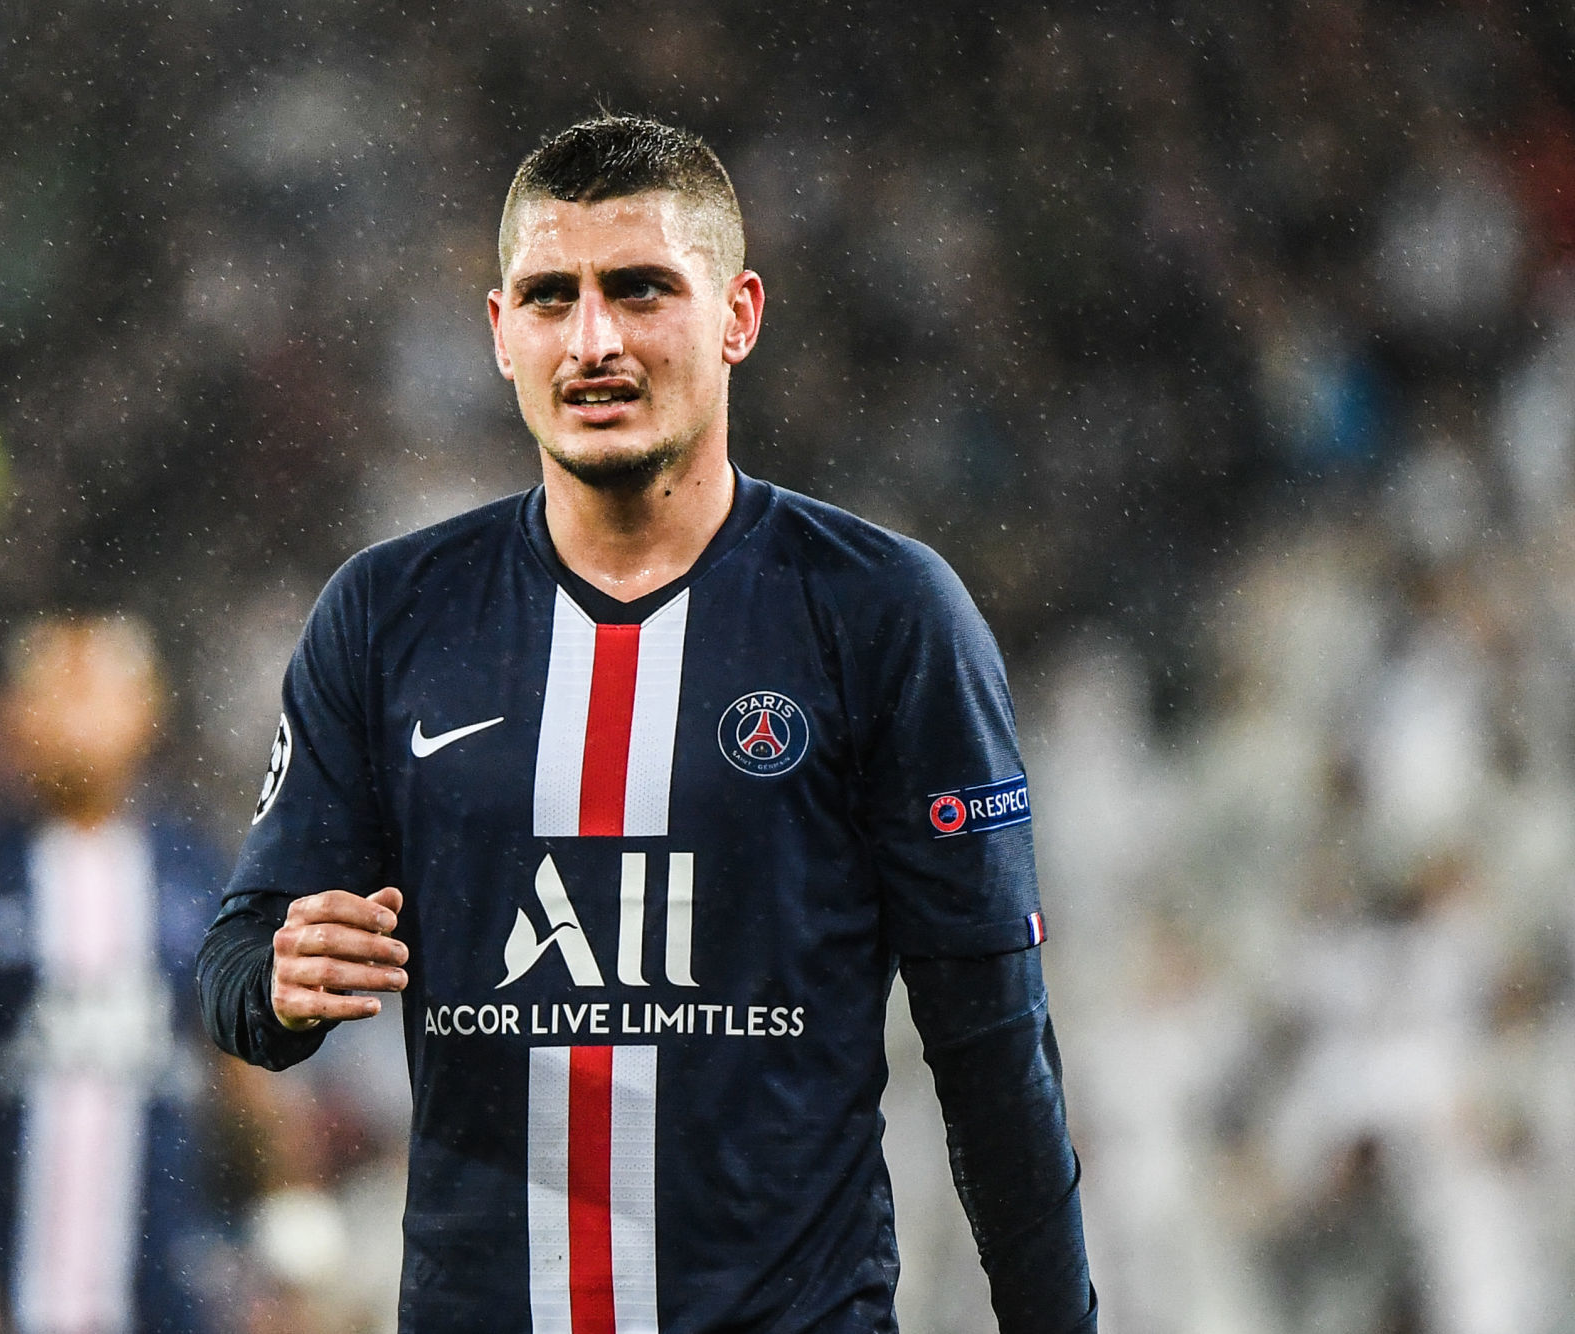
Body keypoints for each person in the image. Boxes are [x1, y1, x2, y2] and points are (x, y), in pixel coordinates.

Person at [197, 114, 1097, 1333]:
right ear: (500, 331)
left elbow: (994, 1047)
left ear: (738, 314)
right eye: (550, 296)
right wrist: (285, 982)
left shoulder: (883, 612)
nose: (595, 339)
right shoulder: (390, 613)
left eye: (640, 290)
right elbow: (237, 969)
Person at [0, 615, 238, 1334]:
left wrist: (289, 1235)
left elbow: (248, 1074)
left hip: (164, 1283)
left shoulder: (197, 870)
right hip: (1, 1277)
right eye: (54, 694)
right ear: (16, 713)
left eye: (97, 694)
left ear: (148, 709)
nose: (76, 721)